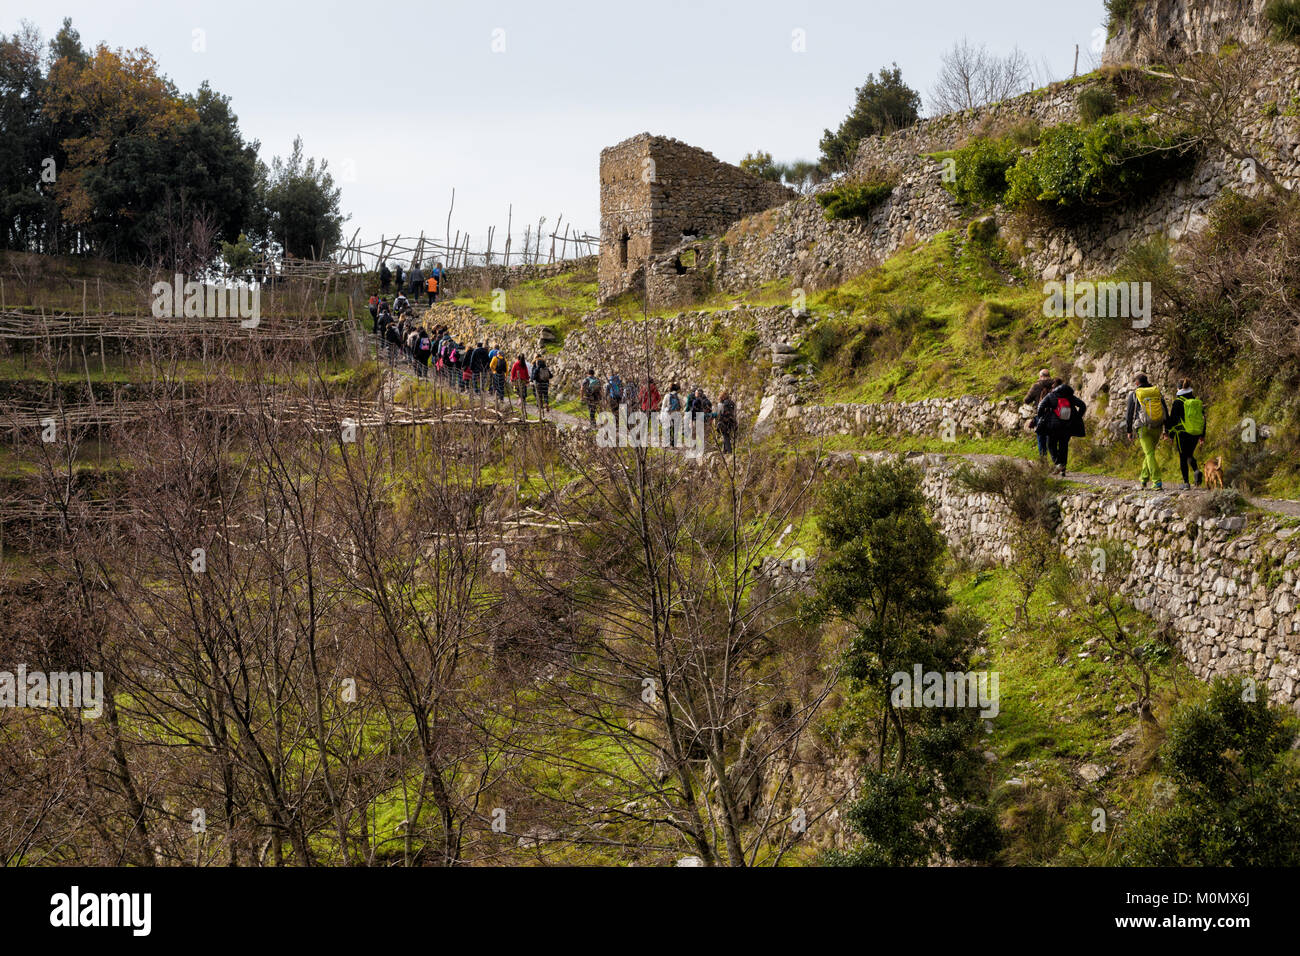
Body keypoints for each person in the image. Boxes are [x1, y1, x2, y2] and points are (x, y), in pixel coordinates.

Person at [1125, 374, 1169, 491]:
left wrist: (1129, 430)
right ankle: (1143, 479)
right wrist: (1166, 430)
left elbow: (1129, 414)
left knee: (1149, 454)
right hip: (1158, 427)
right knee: (1149, 453)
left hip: (1143, 428)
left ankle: (1157, 481)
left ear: (1137, 383)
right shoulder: (1156, 392)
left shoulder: (1135, 394)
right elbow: (1165, 410)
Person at [1034, 379, 1086, 476]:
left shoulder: (1051, 396)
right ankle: (1063, 467)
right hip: (1068, 426)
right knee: (1064, 445)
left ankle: (1058, 463)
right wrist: (1077, 417)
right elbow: (1082, 405)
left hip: (1053, 426)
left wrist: (1041, 417)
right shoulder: (1071, 397)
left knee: (1050, 444)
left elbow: (1040, 406)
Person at [1167, 378, 1206, 490]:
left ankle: (1186, 483)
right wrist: (1202, 435)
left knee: (1183, 457)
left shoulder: (1178, 402)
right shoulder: (1196, 401)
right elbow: (1203, 419)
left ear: (1178, 388)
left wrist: (1170, 435)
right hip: (1195, 433)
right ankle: (1196, 470)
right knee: (1189, 454)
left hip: (1182, 433)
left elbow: (1173, 420)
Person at [1024, 369, 1054, 461]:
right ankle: (1056, 461)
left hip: (1040, 416)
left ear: (1040, 376)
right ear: (1049, 375)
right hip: (1053, 416)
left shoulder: (1036, 386)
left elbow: (1026, 400)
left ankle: (1043, 461)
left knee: (1041, 439)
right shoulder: (1054, 385)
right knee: (1052, 440)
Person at [661, 383, 683, 447]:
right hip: (677, 413)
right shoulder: (679, 396)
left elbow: (663, 406)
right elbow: (682, 405)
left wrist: (663, 414)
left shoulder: (667, 396)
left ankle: (668, 443)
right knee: (675, 429)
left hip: (669, 414)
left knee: (668, 428)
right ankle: (674, 443)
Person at [509, 353, 530, 418]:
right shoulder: (524, 364)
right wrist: (527, 380)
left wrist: (512, 379)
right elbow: (526, 372)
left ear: (518, 358)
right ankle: (522, 400)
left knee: (517, 390)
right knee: (523, 390)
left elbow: (513, 372)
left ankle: (520, 400)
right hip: (523, 380)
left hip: (517, 380)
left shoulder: (516, 364)